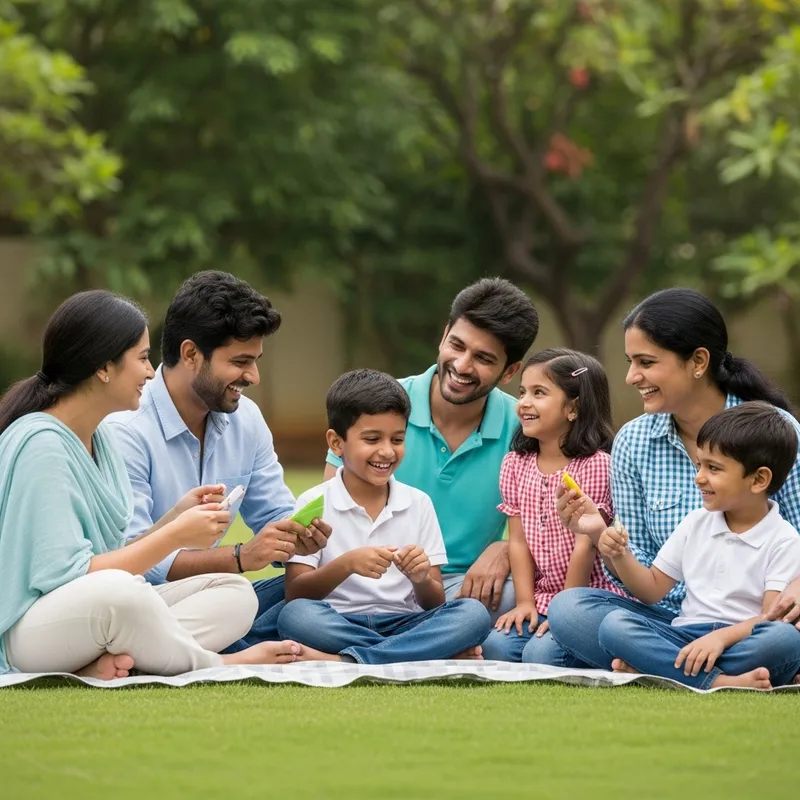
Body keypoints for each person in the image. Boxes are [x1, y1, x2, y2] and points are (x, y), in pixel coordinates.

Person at [0, 291, 311, 680]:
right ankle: (219, 663)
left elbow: (116, 552)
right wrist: (176, 535)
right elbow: (70, 577)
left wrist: (172, 519)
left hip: (97, 613)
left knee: (236, 594)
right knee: (124, 594)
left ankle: (106, 662)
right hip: (30, 626)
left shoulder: (101, 441)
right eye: (143, 358)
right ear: (103, 367)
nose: (151, 373)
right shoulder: (43, 444)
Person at [548, 288, 800, 670]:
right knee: (567, 612)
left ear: (698, 361)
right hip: (670, 621)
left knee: (783, 638)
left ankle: (655, 665)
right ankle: (700, 667)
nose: (632, 377)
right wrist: (600, 535)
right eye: (631, 362)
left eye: (646, 362)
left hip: (758, 622)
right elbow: (645, 578)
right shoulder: (633, 441)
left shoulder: (778, 433)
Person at [107, 271, 331, 651]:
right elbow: (137, 561)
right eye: (241, 361)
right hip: (139, 600)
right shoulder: (125, 429)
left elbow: (275, 513)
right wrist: (242, 557)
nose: (254, 376)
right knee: (238, 598)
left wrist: (301, 540)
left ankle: (221, 646)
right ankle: (221, 647)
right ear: (192, 354)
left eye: (256, 361)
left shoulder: (247, 420)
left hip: (215, 599)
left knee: (325, 587)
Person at [323, 279, 539, 621]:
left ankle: (382, 645)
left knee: (515, 597)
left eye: (483, 358)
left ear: (510, 371)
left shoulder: (526, 430)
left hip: (464, 586)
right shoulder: (378, 406)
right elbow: (333, 511)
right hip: (367, 581)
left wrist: (506, 549)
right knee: (291, 602)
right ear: (443, 336)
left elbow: (552, 534)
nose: (463, 365)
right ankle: (426, 643)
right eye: (457, 345)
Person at [278, 369, 492, 663]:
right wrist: (347, 564)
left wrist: (420, 578)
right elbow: (296, 593)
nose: (387, 452)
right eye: (372, 439)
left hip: (404, 622)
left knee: (473, 614)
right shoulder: (313, 502)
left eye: (397, 439)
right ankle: (413, 653)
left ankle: (348, 660)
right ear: (337, 443)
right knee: (295, 617)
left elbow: (434, 601)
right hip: (338, 621)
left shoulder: (418, 503)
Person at [595, 403, 800, 689]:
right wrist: (619, 554)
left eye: (713, 468)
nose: (699, 477)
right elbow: (651, 589)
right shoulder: (696, 522)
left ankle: (659, 668)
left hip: (741, 640)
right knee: (614, 625)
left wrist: (720, 638)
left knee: (784, 639)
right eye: (699, 464)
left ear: (758, 479)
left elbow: (770, 618)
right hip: (684, 634)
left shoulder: (784, 539)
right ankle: (723, 680)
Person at [481, 350, 625, 664]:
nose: (524, 402)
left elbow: (584, 546)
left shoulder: (595, 466)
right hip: (542, 596)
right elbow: (516, 541)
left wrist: (563, 616)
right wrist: (524, 603)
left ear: (573, 408)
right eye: (522, 392)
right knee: (496, 648)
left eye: (539, 393)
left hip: (587, 598)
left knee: (540, 654)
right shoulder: (515, 464)